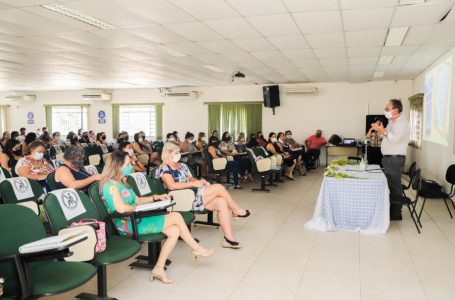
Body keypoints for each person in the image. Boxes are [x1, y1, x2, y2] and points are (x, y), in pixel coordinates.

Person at [100, 150, 214, 284]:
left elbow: (137, 200)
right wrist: (139, 208)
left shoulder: (122, 182)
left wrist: (156, 198)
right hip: (129, 224)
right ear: (117, 166)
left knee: (174, 231)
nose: (130, 166)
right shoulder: (110, 186)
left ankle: (158, 268)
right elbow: (122, 208)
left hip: (137, 218)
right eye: (127, 164)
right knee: (176, 216)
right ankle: (196, 248)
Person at [157, 141, 250, 249]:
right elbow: (171, 186)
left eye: (179, 152)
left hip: (192, 194)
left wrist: (200, 182)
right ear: (167, 153)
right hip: (179, 199)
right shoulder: (164, 167)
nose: (179, 155)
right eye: (176, 152)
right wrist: (193, 183)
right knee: (219, 187)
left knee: (221, 201)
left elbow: (191, 179)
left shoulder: (182, 165)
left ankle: (228, 239)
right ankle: (236, 210)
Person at [371, 99, 410, 221]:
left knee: (395, 186)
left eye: (387, 109)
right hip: (389, 159)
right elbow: (387, 136)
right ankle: (391, 209)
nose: (385, 111)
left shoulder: (401, 123)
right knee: (390, 185)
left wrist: (383, 131)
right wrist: (381, 130)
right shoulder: (391, 122)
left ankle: (396, 213)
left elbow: (394, 139)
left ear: (396, 110)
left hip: (394, 159)